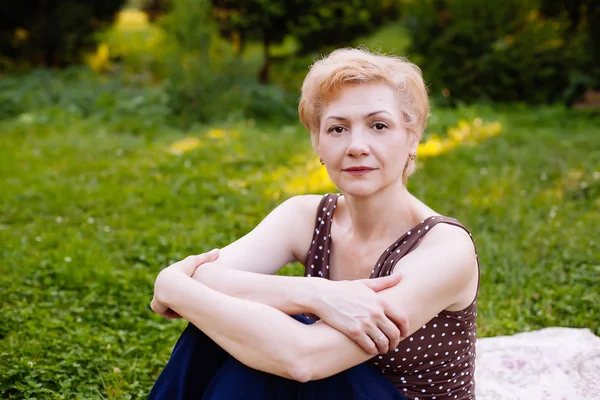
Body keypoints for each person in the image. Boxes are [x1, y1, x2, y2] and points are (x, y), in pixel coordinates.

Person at [148, 48, 480, 400]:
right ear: (318, 143)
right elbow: (203, 277)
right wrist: (315, 294)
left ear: (412, 137)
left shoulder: (445, 249)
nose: (356, 146)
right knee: (221, 328)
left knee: (269, 345)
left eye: (379, 126)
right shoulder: (306, 217)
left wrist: (171, 284)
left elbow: (304, 358)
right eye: (337, 129)